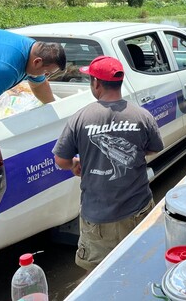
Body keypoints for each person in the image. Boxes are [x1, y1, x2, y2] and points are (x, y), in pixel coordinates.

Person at [52, 56, 163, 271]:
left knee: (99, 275)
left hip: (98, 216)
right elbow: (154, 148)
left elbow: (61, 160)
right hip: (138, 209)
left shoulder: (80, 118)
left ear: (96, 84)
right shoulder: (142, 115)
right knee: (142, 265)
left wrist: (75, 164)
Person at [0, 28, 65, 134]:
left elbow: (39, 85)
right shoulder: (5, 68)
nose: (45, 76)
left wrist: (57, 111)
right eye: (46, 72)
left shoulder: (35, 52)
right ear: (37, 62)